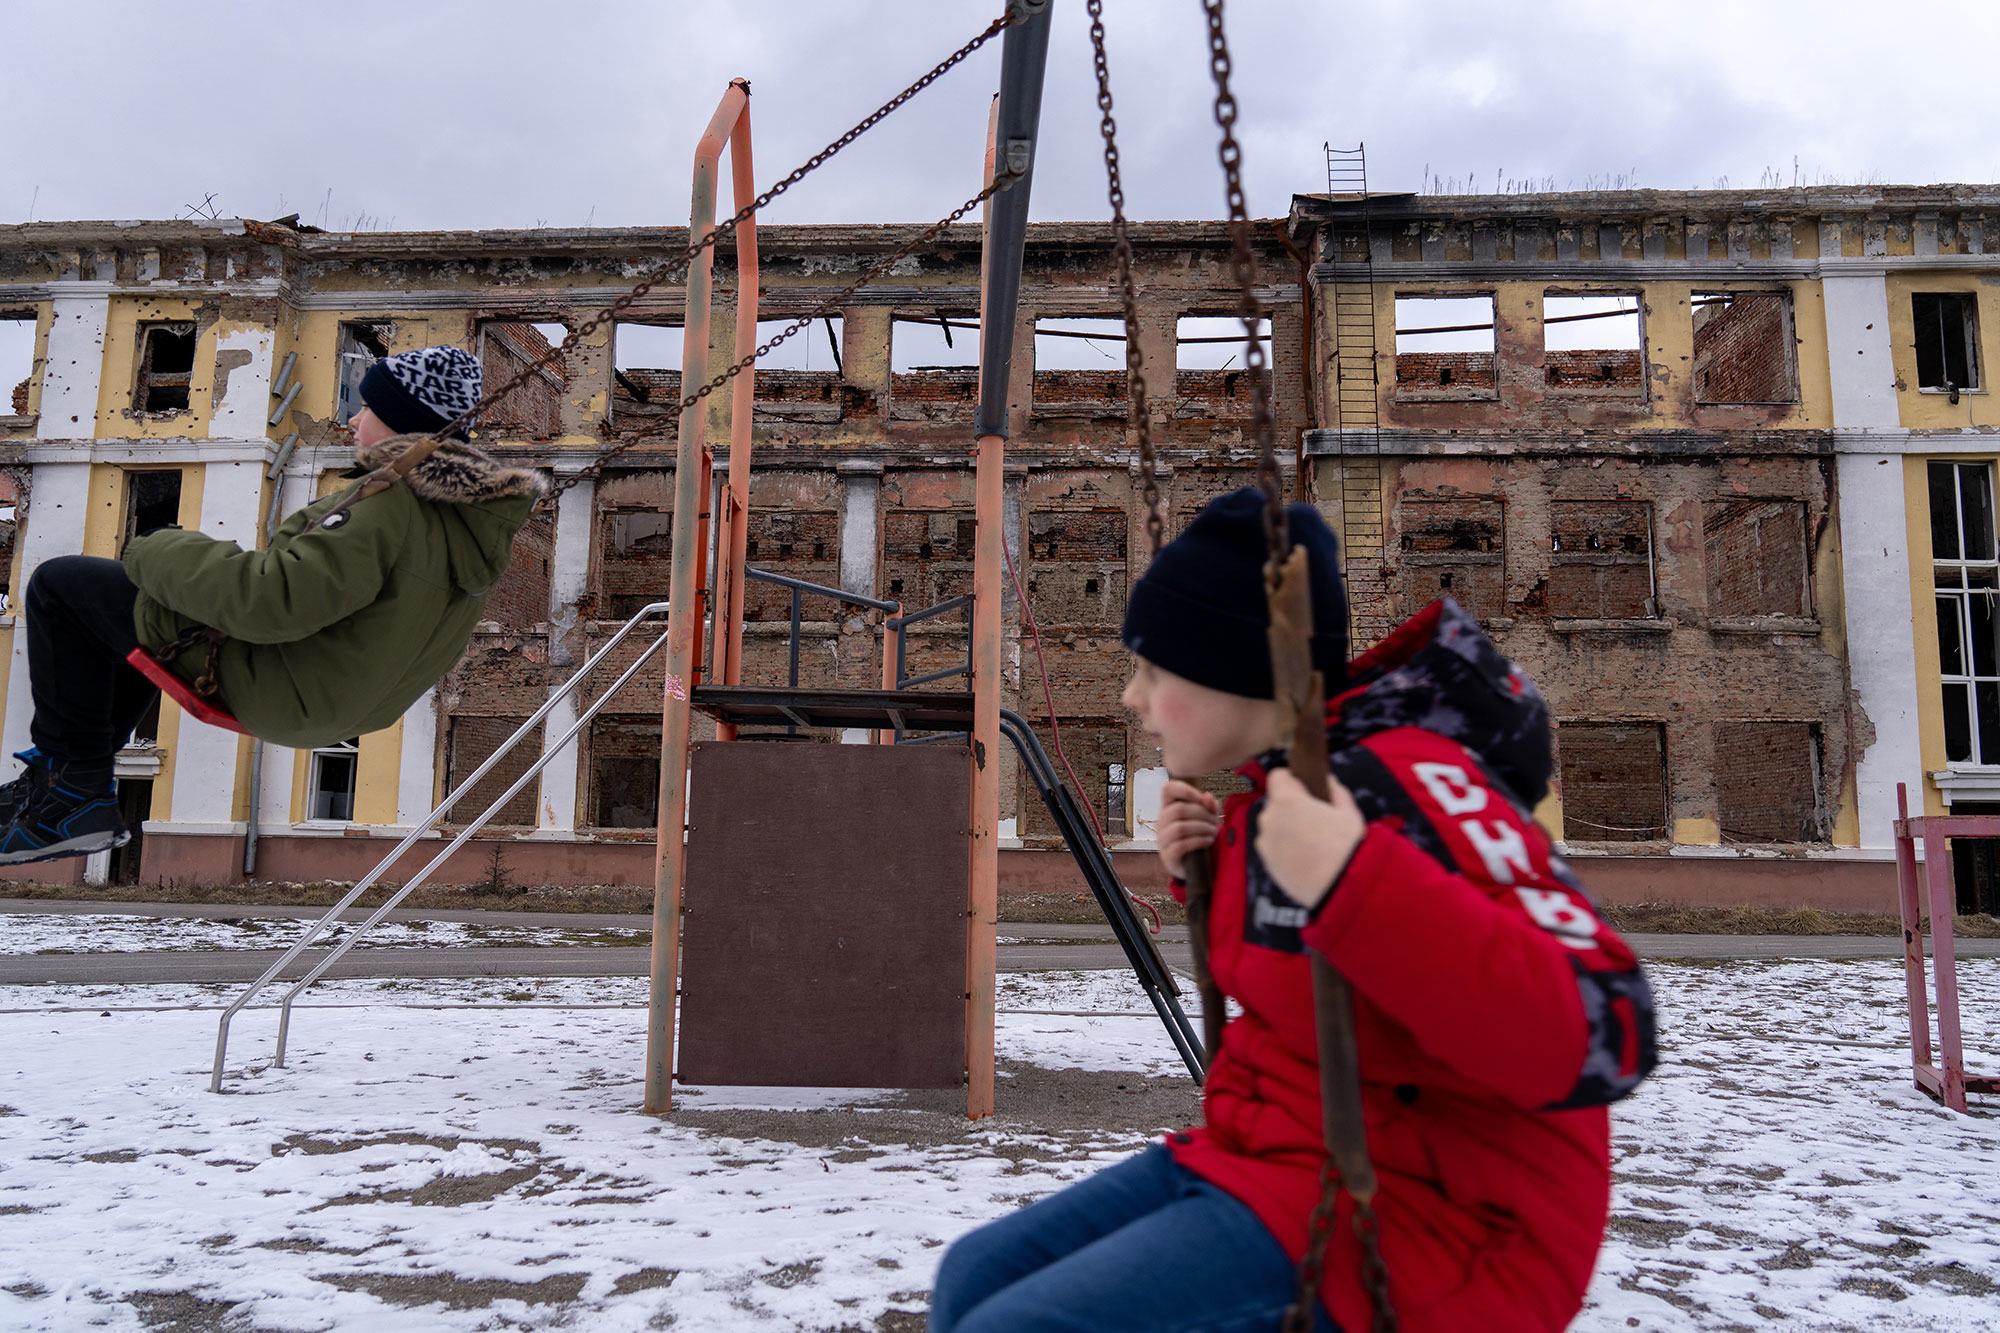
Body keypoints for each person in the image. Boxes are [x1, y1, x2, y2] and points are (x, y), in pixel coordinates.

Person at [930, 489, 1658, 1333]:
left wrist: (1355, 877)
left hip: (1444, 1218)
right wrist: (1203, 880)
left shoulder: (1413, 782)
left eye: (1153, 669)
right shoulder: (1280, 798)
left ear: (1239, 669)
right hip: (1280, 1151)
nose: (1132, 696)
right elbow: (1314, 974)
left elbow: (1604, 1025)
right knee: (974, 1277)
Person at [0, 346, 544, 866]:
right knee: (134, 618)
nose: (353, 422)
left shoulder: (386, 504)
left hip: (286, 685)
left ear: (402, 422)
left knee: (60, 584)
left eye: (367, 408)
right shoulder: (462, 525)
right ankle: (68, 780)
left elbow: (273, 601)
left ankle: (71, 789)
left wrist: (157, 543)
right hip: (341, 701)